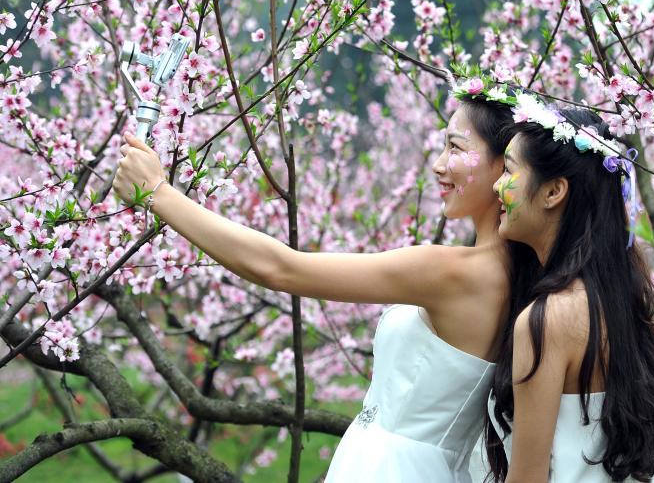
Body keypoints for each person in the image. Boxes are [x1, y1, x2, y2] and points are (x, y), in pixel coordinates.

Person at [114, 80, 538, 482]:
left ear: (506, 166)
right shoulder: (513, 272)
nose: (438, 163)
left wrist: (158, 192)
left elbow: (282, 269)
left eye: (455, 147)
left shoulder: (454, 272)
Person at [482, 96, 654, 482]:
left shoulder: (548, 320)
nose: (496, 184)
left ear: (553, 192)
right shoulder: (618, 298)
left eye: (509, 170)